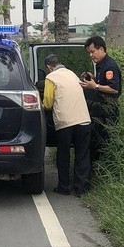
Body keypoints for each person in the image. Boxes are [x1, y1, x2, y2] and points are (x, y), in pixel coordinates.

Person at [42, 54, 92, 196]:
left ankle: (64, 187)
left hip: (66, 122)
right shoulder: (72, 74)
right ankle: (81, 188)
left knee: (63, 155)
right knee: (82, 154)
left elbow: (48, 102)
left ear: (49, 67)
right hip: (84, 120)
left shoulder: (51, 78)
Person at [79, 36, 122, 163]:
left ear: (101, 49)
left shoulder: (110, 66)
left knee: (103, 143)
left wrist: (95, 86)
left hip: (107, 111)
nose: (91, 55)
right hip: (100, 110)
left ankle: (102, 167)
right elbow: (104, 81)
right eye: (89, 53)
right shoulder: (100, 65)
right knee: (95, 142)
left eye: (92, 51)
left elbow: (114, 89)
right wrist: (92, 77)